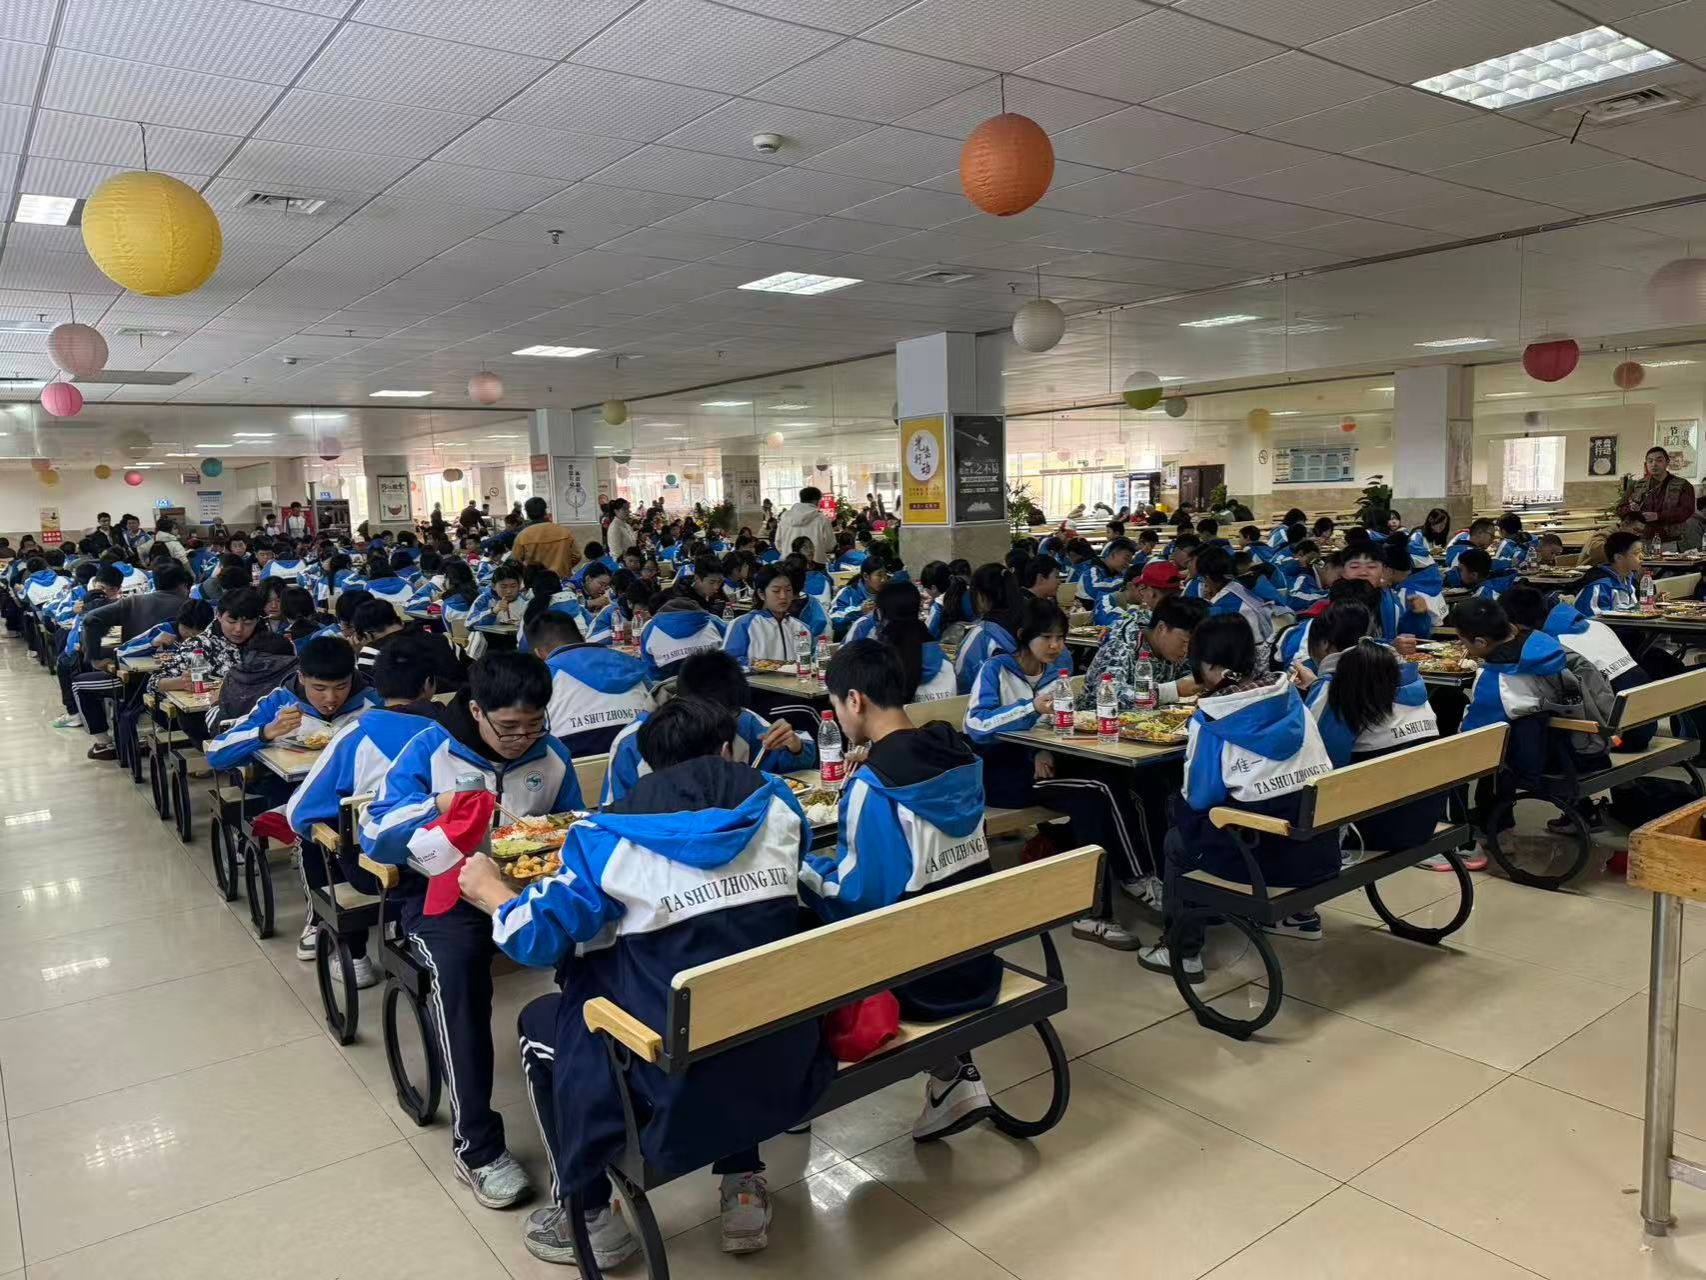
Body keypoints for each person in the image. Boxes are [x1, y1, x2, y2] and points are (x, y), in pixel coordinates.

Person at [461, 696, 832, 1266]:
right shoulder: (778, 805)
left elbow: (535, 941)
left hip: (676, 1081)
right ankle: (743, 1186)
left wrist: (491, 891)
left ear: (647, 764)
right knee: (733, 968)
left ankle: (588, 1215)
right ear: (727, 750)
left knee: (544, 1023)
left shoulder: (605, 838)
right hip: (788, 1051)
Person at [362, 651, 586, 1211]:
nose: (521, 739)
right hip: (442, 893)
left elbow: (573, 829)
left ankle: (594, 1099)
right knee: (459, 973)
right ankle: (477, 1147)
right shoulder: (430, 748)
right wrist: (436, 805)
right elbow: (374, 831)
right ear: (477, 710)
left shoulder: (552, 755)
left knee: (597, 944)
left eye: (534, 725)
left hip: (522, 887)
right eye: (508, 727)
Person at [804, 639, 1000, 1139]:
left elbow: (857, 899)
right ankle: (955, 1075)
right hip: (979, 956)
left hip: (922, 982)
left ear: (855, 700)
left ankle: (796, 1090)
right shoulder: (958, 753)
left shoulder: (875, 784)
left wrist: (804, 870)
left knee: (801, 918)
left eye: (835, 705)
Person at [1137, 615, 1337, 979]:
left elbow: (1199, 799)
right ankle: (1299, 916)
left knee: (1178, 836)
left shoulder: (1212, 720)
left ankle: (1182, 950)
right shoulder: (1291, 697)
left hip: (1262, 858)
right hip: (1318, 849)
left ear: (1207, 665)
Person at [963, 598, 1152, 945]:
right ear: (1024, 635)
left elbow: (1056, 723)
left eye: (1061, 637)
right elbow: (976, 726)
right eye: (1047, 637)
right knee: (1098, 789)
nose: (1055, 646)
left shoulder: (1058, 670)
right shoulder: (995, 670)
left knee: (1110, 785)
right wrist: (1030, 708)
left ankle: (1094, 910)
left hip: (1044, 765)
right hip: (1002, 775)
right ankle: (1135, 878)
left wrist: (1042, 749)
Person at [284, 635, 445, 981]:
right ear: (430, 685)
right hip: (447, 861)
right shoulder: (456, 733)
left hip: (375, 872)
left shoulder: (354, 735)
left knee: (324, 834)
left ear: (377, 686)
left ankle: (355, 956)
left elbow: (299, 814)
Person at [1297, 604, 1442, 864]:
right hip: (1424, 817)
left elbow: (1318, 762)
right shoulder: (1407, 676)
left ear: (1325, 645)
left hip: (1374, 827)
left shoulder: (1336, 689)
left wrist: (1319, 691)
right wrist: (1319, 686)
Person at [602, 650, 815, 802]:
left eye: (731, 715)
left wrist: (794, 746)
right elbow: (613, 814)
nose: (724, 725)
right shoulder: (632, 742)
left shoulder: (743, 720)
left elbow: (795, 762)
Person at [206, 635, 380, 776]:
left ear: (352, 676)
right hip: (287, 792)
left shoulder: (374, 703)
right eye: (319, 688)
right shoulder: (279, 701)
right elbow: (216, 755)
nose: (330, 698)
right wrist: (267, 732)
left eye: (341, 687)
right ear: (301, 677)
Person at [528, 601, 653, 755]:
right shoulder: (629, 664)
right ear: (582, 637)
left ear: (538, 653)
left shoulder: (541, 678)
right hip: (640, 755)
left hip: (575, 763)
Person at [1193, 545, 1275, 668]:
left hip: (1247, 665)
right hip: (1266, 656)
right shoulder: (1241, 588)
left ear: (1207, 578)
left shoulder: (1220, 607)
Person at [723, 564, 813, 667]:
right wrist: (755, 664)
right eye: (776, 591)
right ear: (761, 594)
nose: (783, 596)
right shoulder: (743, 625)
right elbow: (727, 663)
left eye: (788, 590)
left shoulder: (802, 628)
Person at [952, 563, 1021, 694]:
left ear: (980, 596)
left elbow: (963, 681)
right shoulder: (1034, 621)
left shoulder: (982, 634)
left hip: (992, 703)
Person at [638, 587, 727, 685]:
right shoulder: (714, 622)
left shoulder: (649, 628)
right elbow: (732, 654)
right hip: (716, 685)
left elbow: (651, 673)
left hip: (671, 689)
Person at [1620, 445, 1697, 548]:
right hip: (1640, 538)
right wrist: (1630, 508)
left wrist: (1658, 516)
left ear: (1667, 462)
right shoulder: (1637, 485)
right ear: (1646, 464)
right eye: (1650, 461)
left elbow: (1686, 511)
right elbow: (1620, 508)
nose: (1654, 464)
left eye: (1659, 460)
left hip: (1670, 540)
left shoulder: (1682, 485)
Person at [511, 496, 582, 578]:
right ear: (545, 511)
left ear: (527, 514)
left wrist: (528, 573)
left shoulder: (522, 536)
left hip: (535, 581)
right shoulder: (564, 532)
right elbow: (577, 556)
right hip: (561, 580)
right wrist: (564, 567)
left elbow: (515, 562)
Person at [1577, 530, 1641, 615]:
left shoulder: (1629, 579)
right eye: (1636, 553)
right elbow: (1593, 617)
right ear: (1618, 558)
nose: (1642, 556)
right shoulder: (1599, 585)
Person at [773, 486, 833, 574]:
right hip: (815, 564)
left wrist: (788, 552)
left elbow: (778, 542)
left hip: (789, 563)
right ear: (816, 501)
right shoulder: (822, 519)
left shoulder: (785, 517)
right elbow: (830, 545)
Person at [829, 556, 890, 641]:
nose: (883, 580)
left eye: (885, 574)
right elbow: (833, 620)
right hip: (853, 643)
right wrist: (859, 611)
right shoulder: (848, 593)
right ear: (866, 576)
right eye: (879, 575)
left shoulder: (890, 593)